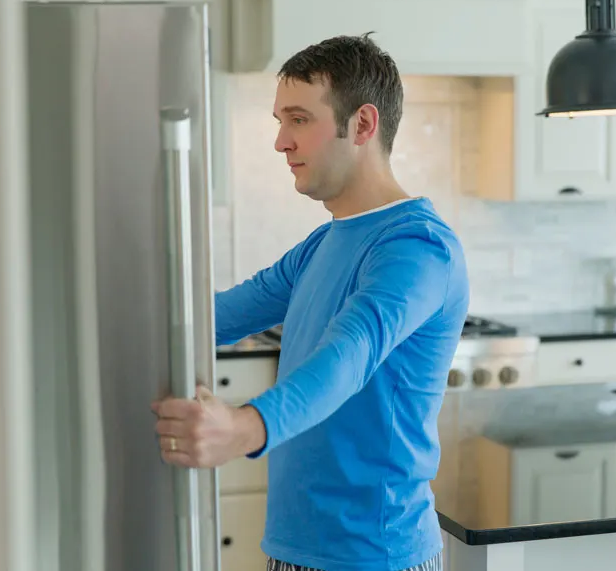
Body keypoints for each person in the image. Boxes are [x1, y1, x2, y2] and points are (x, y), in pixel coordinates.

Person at [151, 33, 469, 571]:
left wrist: (243, 428)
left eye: (299, 119)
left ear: (363, 125)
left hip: (374, 557)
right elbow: (217, 317)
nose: (281, 141)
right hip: (294, 550)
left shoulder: (417, 248)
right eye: (281, 120)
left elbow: (349, 354)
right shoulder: (326, 243)